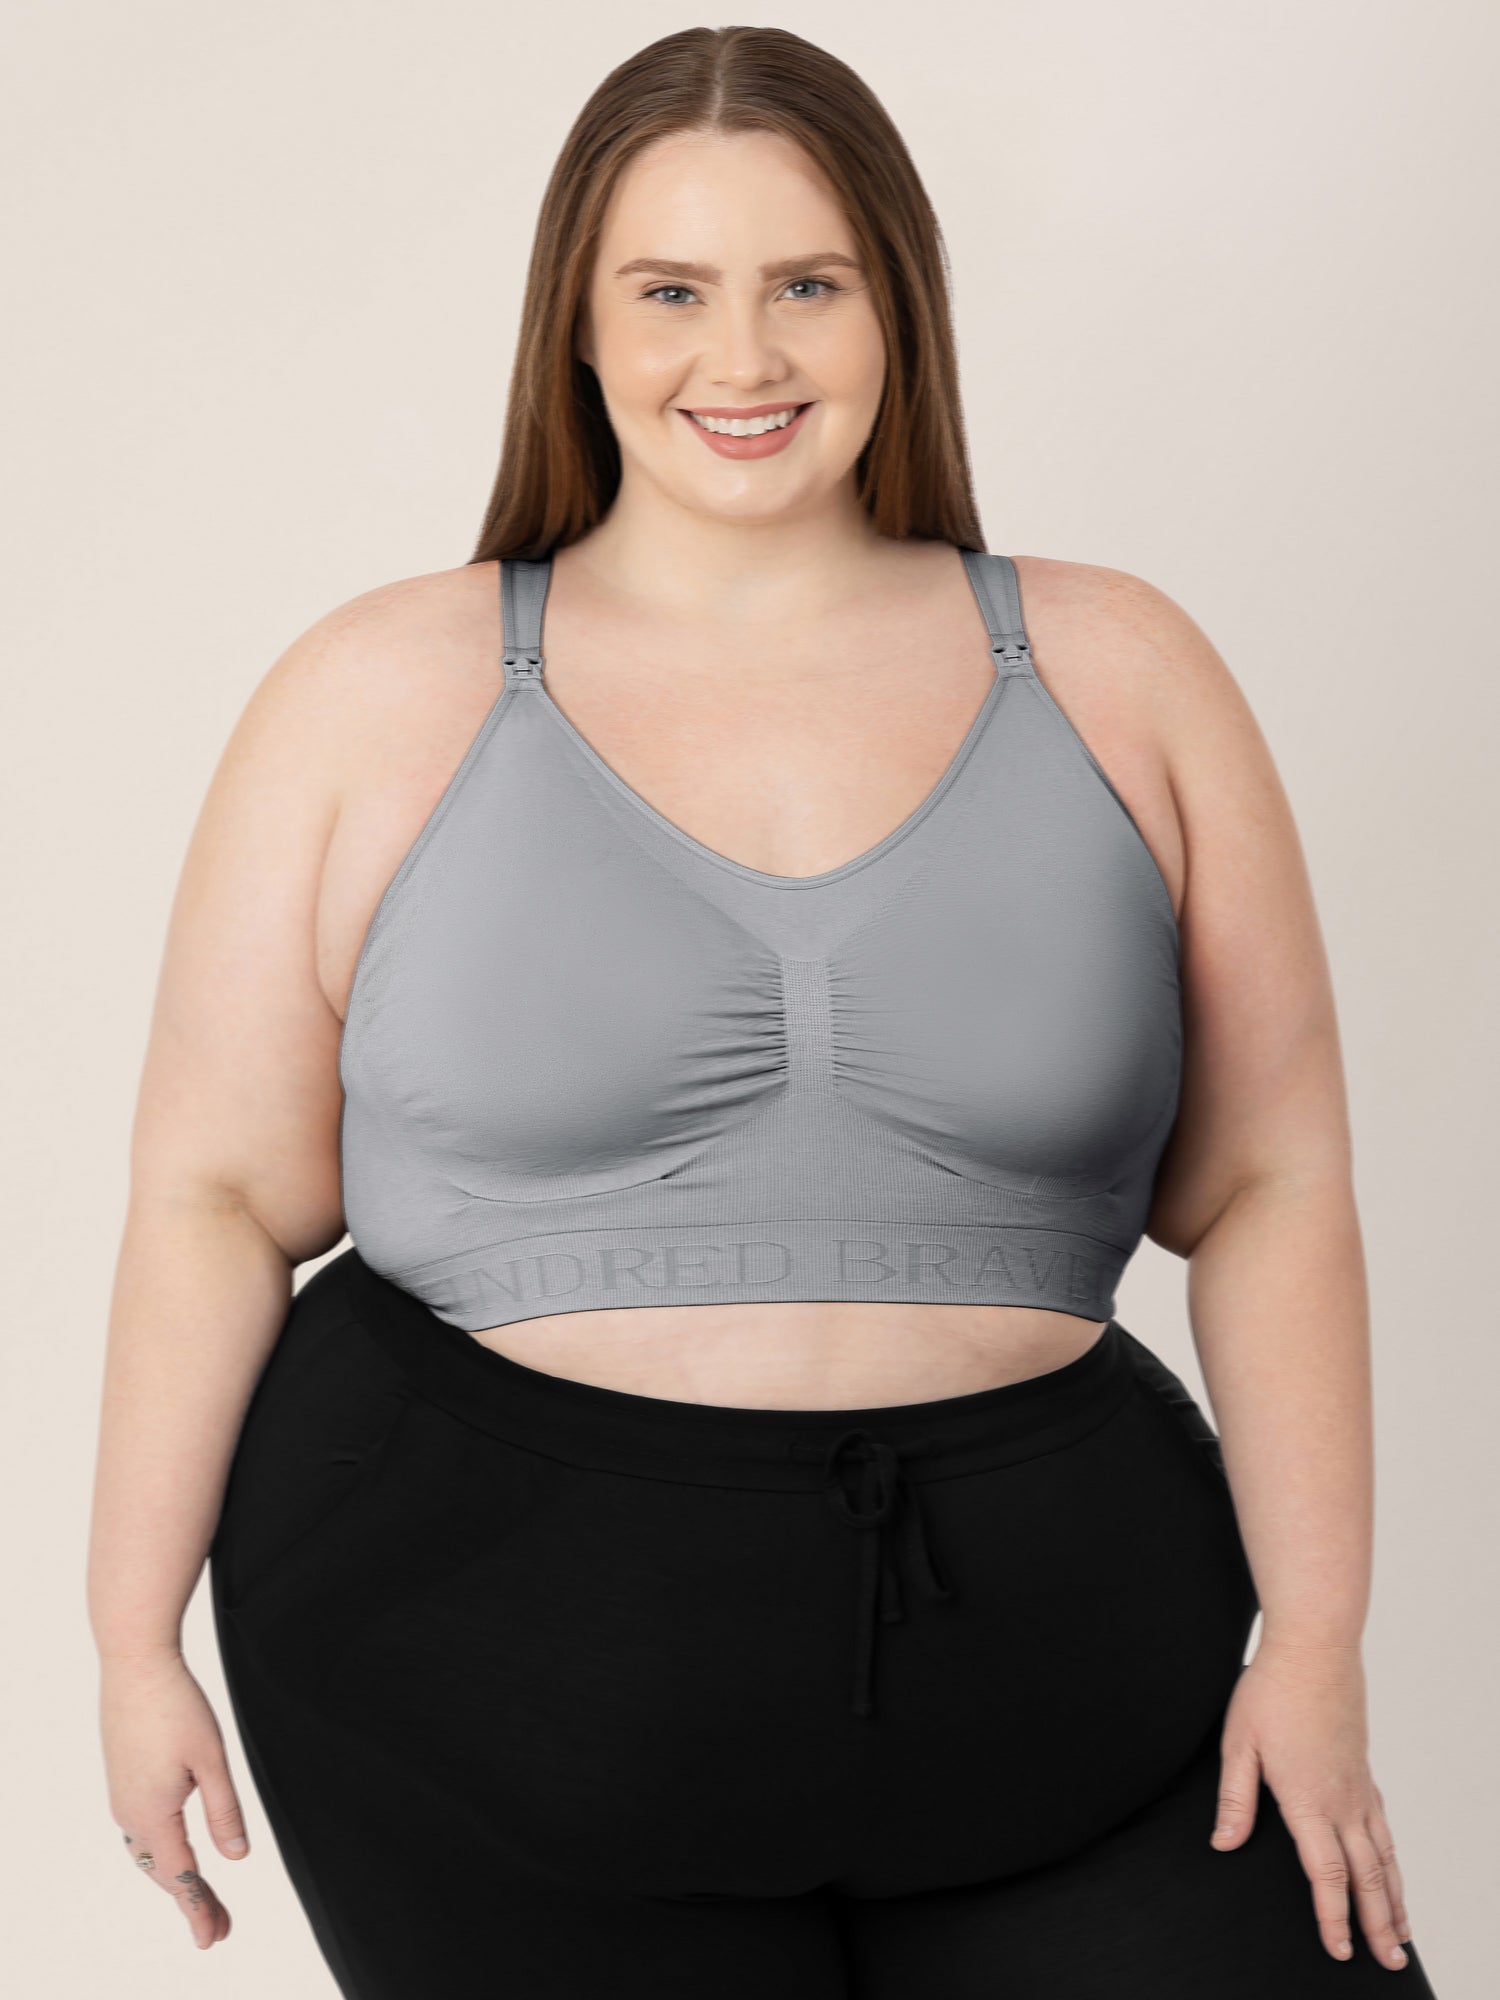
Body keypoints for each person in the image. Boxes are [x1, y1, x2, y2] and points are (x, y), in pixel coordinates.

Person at [87, 23, 1438, 1997]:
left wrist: (1315, 1641)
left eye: (809, 283)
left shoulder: (1124, 670)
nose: (744, 357)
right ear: (577, 325)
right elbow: (214, 1192)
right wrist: (130, 1638)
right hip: (482, 1669)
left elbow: (1272, 1181)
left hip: (1065, 1656)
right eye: (671, 292)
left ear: (900, 306)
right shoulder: (375, 693)